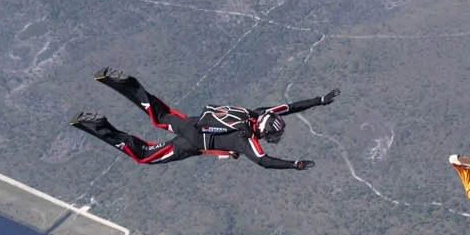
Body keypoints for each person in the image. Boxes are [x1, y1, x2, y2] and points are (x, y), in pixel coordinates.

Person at [71, 71, 334, 169]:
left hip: (192, 123)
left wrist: (319, 100)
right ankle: (94, 124)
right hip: (191, 142)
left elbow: (289, 107)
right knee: (143, 156)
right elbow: (265, 162)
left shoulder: (255, 112)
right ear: (264, 131)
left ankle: (126, 84)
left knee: (159, 114)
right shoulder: (248, 141)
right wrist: (294, 165)